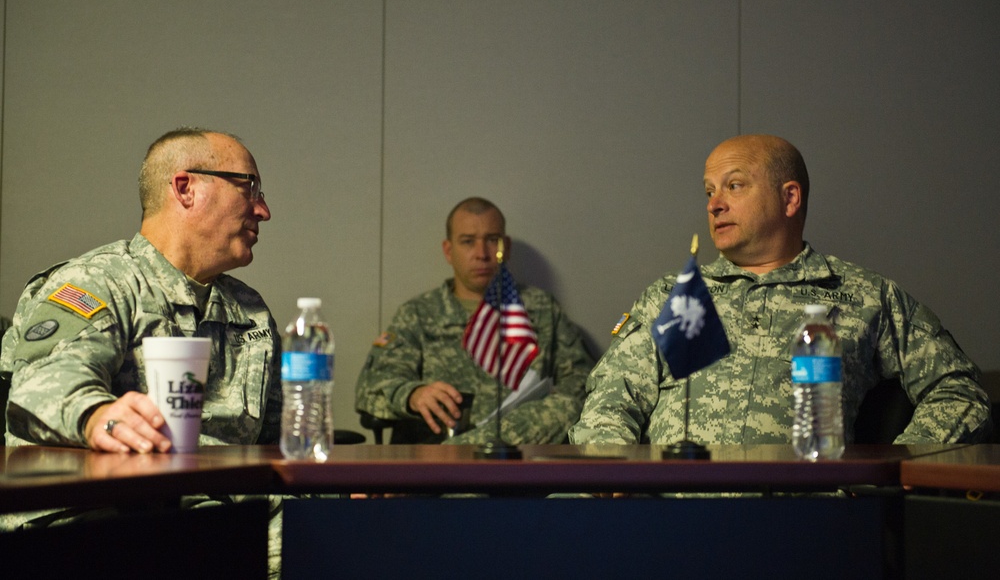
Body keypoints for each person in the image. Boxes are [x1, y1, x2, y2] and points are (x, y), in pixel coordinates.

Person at [570, 134, 992, 445]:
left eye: (734, 186)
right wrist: (612, 475)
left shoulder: (864, 295)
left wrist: (893, 466)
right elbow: (610, 400)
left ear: (790, 198)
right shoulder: (678, 296)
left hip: (806, 518)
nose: (714, 204)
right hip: (675, 514)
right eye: (709, 191)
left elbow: (960, 391)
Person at [0, 128, 284, 576]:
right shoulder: (96, 283)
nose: (263, 210)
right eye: (248, 187)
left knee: (357, 540)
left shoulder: (250, 312)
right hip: (98, 525)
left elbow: (277, 451)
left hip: (222, 518)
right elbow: (41, 386)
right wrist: (97, 417)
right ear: (186, 188)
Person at [355, 197, 595, 444]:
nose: (482, 254)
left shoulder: (541, 309)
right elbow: (370, 389)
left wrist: (534, 417)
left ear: (507, 247)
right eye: (468, 242)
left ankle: (475, 447)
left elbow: (585, 382)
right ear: (449, 250)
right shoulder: (418, 314)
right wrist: (413, 395)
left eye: (493, 241)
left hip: (520, 463)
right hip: (436, 463)